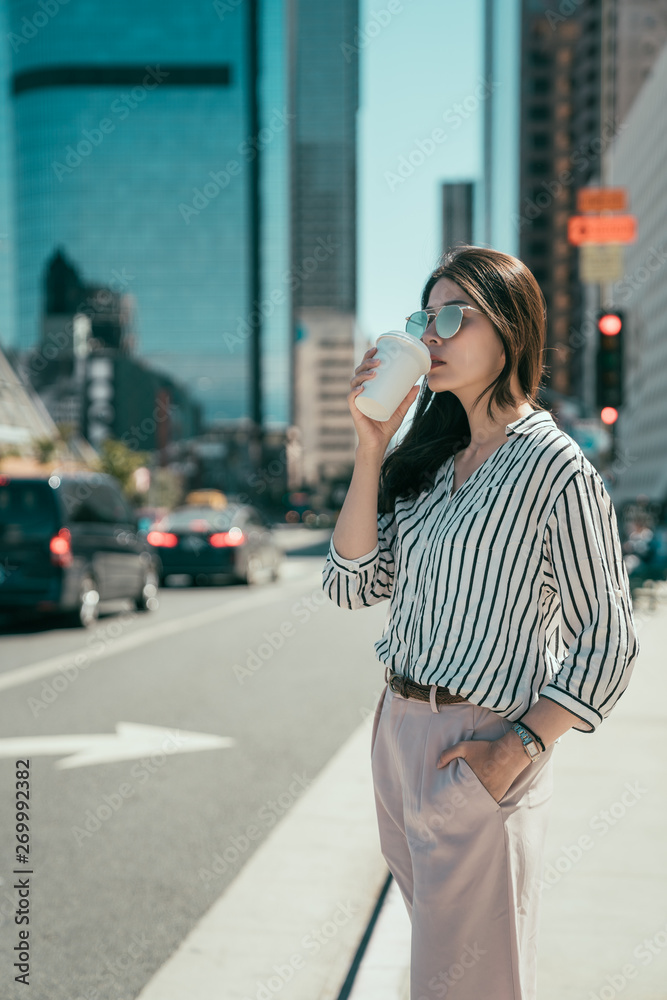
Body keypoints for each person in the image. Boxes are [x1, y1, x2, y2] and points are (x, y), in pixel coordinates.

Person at [321, 245, 640, 1000]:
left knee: (465, 986)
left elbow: (609, 638)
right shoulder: (430, 458)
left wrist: (517, 747)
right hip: (397, 738)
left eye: (451, 316)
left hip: (479, 743)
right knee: (445, 975)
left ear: (508, 329)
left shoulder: (552, 466)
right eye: (421, 317)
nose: (429, 335)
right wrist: (371, 449)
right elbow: (348, 584)